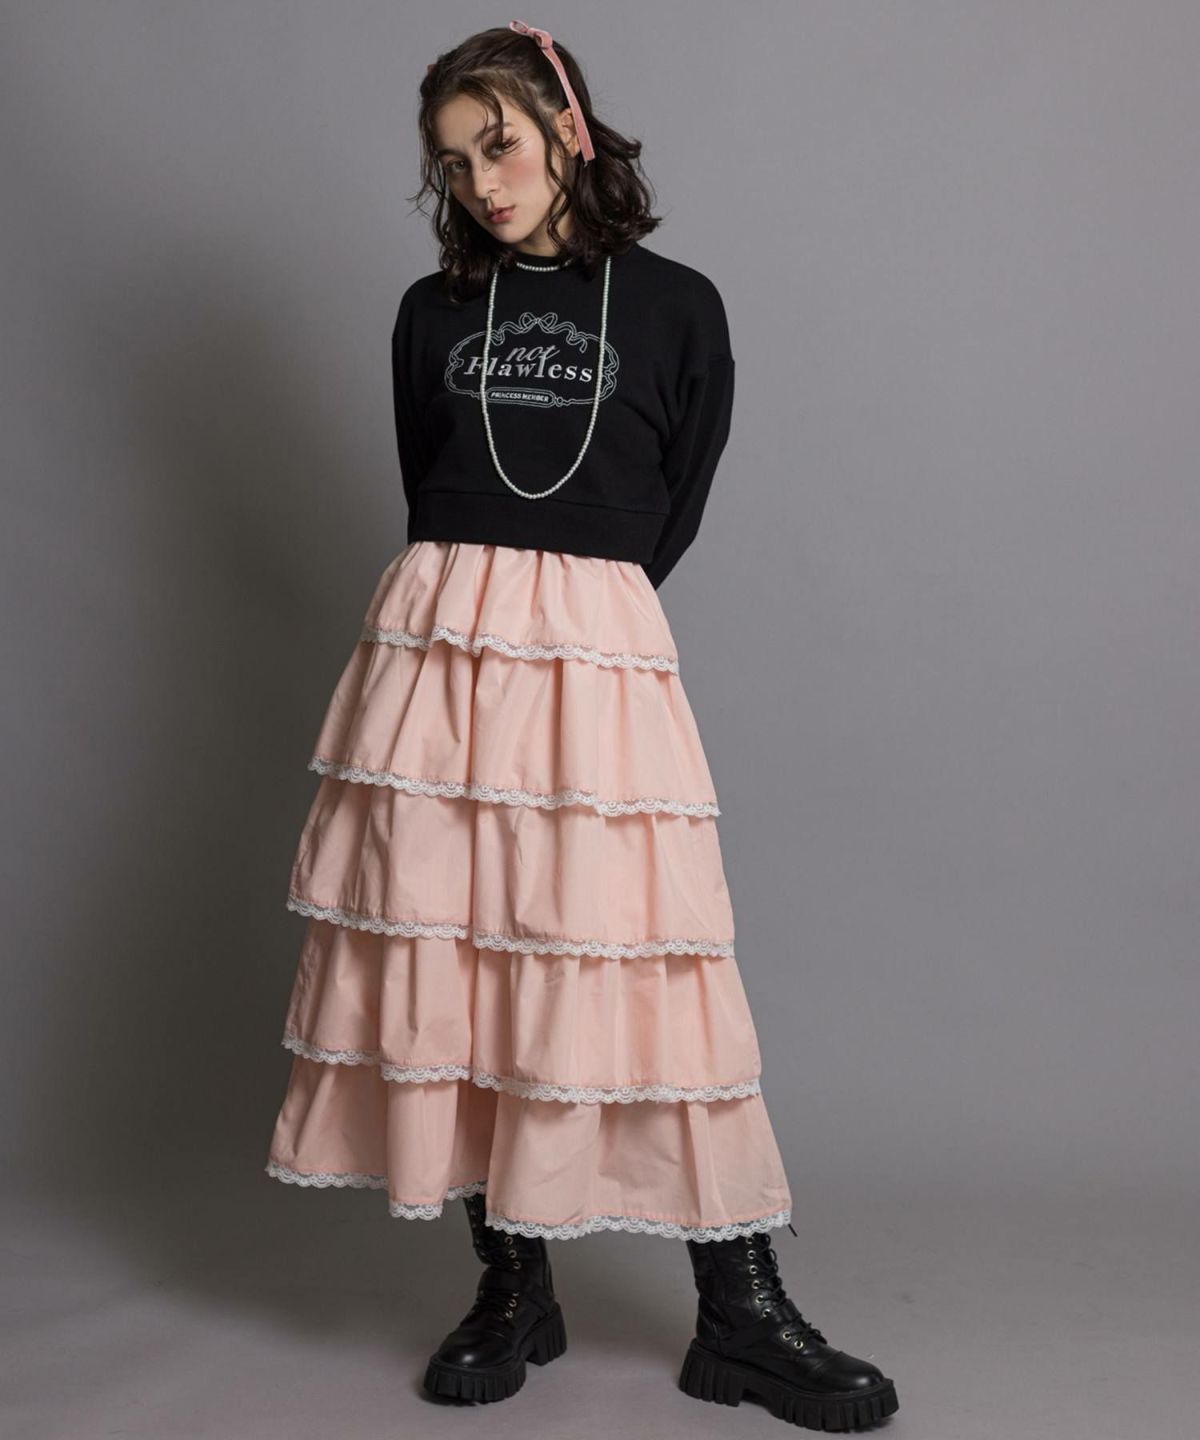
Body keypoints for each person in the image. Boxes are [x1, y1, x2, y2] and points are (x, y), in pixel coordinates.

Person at [263, 18, 899, 1432]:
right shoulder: (432, 312)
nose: (480, 182)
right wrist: (494, 610)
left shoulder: (678, 307)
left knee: (645, 959)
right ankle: (514, 1286)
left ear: (565, 126)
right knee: (460, 951)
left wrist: (572, 617)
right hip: (440, 654)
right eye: (452, 162)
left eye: (497, 144)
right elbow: (430, 486)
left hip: (597, 657)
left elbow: (670, 507)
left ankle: (742, 1312)